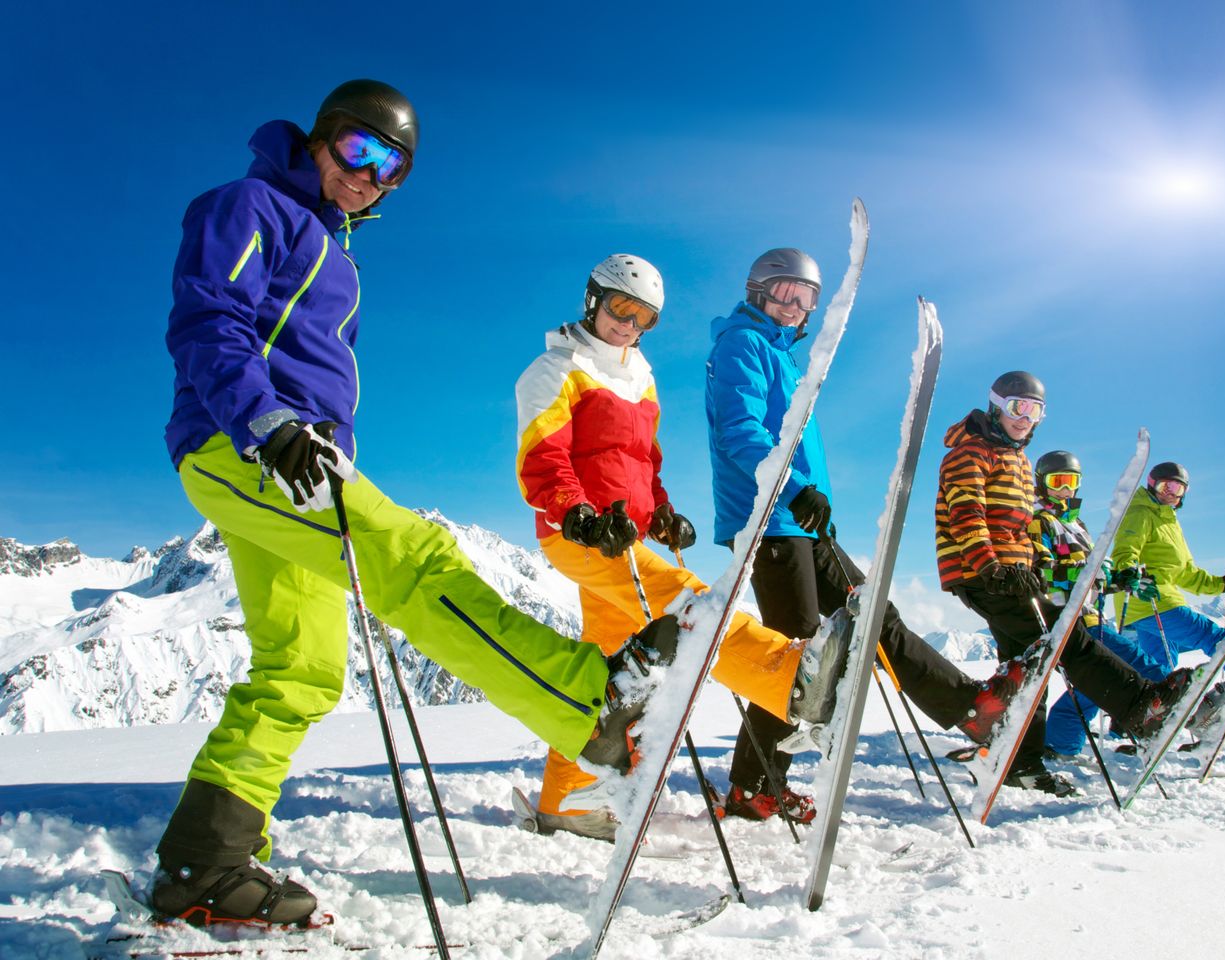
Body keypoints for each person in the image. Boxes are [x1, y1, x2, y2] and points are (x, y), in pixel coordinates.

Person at [154, 80, 669, 924]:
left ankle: (205, 863)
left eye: (392, 167)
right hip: (244, 445)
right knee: (415, 560)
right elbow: (211, 319)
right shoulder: (249, 204)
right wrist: (268, 422)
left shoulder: (335, 251)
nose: (372, 175)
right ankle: (586, 699)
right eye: (359, 150)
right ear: (321, 137)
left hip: (292, 455)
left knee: (302, 671)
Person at [515, 254, 844, 837]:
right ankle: (789, 680)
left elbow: (645, 462)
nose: (630, 325)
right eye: (621, 308)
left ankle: (565, 799)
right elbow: (543, 463)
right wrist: (581, 515)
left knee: (602, 675)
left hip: (628, 537)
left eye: (645, 317)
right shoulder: (555, 369)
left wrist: (661, 511)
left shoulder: (639, 374)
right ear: (594, 299)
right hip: (584, 536)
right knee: (693, 609)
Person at [705, 247, 1004, 821]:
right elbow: (740, 435)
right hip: (769, 521)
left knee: (872, 614)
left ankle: (971, 708)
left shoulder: (782, 354)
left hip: (801, 520)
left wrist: (812, 503)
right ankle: (752, 787)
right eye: (784, 293)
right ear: (757, 291)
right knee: (798, 661)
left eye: (807, 298)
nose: (794, 306)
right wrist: (795, 492)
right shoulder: (742, 345)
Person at [935, 371, 1193, 795]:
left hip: (1012, 574)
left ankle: (1019, 758)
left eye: (1035, 410)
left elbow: (1017, 530)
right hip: (984, 573)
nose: (1025, 417)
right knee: (1065, 641)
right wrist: (989, 566)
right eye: (1017, 406)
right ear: (996, 404)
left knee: (1028, 665)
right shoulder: (972, 452)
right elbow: (967, 514)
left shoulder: (1014, 456)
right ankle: (1138, 706)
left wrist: (1030, 568)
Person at [1027, 452, 1167, 759]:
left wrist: (1121, 579)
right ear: (1042, 484)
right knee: (1144, 669)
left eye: (1071, 482)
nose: (1065, 490)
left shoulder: (1077, 525)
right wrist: (1081, 572)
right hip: (1068, 617)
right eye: (1058, 482)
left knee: (1096, 684)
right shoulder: (1039, 522)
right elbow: (1040, 572)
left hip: (1090, 615)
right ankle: (1148, 725)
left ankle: (1060, 743)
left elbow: (1093, 578)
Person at [1110, 461, 1225, 702]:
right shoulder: (1141, 513)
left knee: (1160, 669)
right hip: (1152, 600)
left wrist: (1220, 584)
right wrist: (1128, 572)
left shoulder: (1169, 523)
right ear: (1151, 485)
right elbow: (1126, 550)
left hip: (1158, 604)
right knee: (1214, 639)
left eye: (1178, 489)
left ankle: (1138, 719)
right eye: (1165, 487)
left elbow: (1186, 573)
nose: (1171, 494)